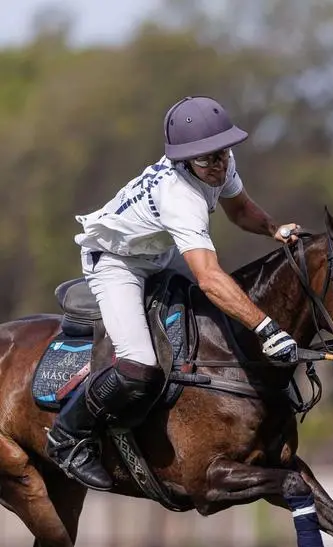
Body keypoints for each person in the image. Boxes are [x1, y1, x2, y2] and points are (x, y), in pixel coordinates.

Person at [46, 95, 302, 491]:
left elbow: (239, 210)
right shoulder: (178, 195)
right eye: (207, 161)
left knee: (218, 324)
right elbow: (210, 278)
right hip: (116, 262)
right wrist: (267, 328)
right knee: (138, 365)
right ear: (186, 161)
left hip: (159, 254)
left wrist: (272, 228)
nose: (218, 167)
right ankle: (68, 436)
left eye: (222, 155)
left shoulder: (219, 162)